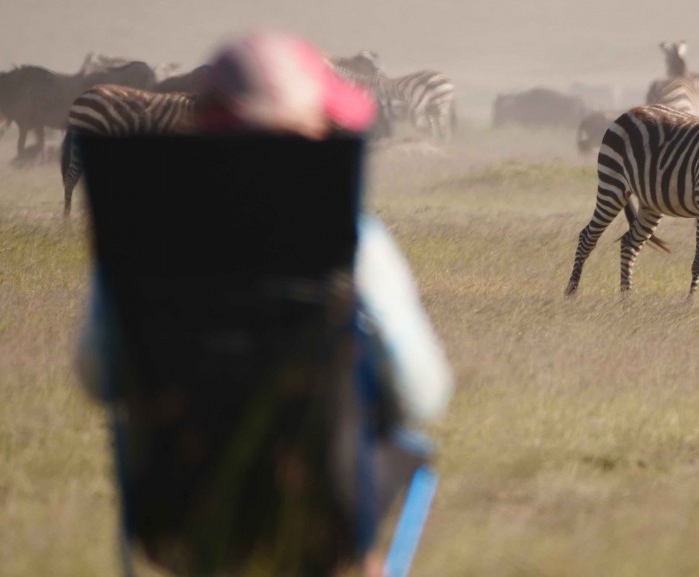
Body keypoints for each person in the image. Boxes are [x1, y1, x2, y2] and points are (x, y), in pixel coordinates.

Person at [75, 30, 454, 572]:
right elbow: (424, 396)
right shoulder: (356, 241)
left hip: (179, 513)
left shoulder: (143, 238)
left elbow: (95, 377)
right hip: (323, 519)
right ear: (313, 130)